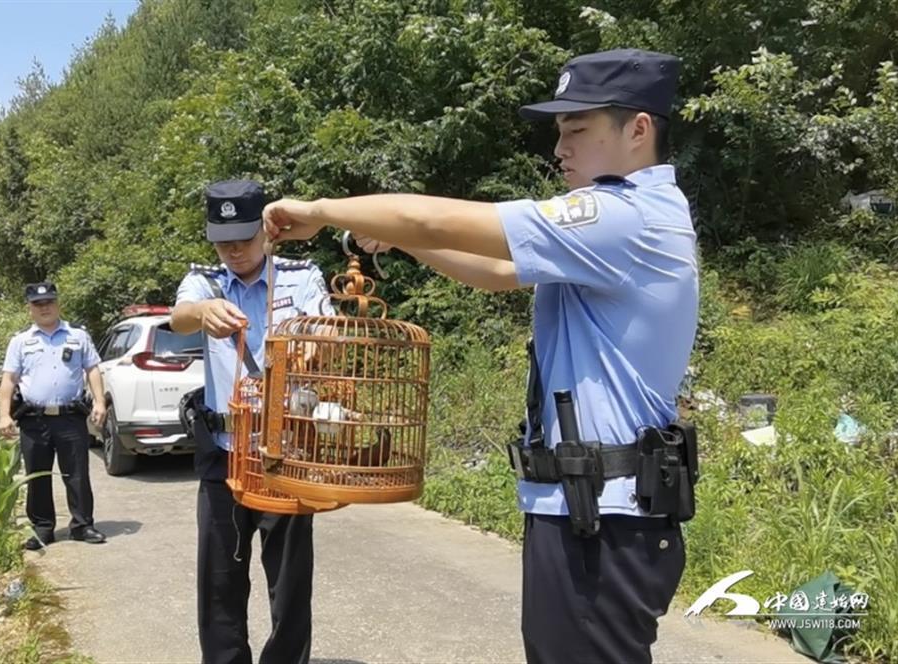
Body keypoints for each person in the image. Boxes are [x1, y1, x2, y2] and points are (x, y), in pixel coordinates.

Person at [263, 49, 699, 664]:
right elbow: (497, 271)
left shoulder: (624, 216)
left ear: (638, 129)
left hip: (605, 519)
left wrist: (317, 211)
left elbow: (432, 217)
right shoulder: (629, 222)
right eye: (559, 133)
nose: (561, 149)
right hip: (587, 510)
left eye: (577, 129)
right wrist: (406, 242)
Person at [171, 179, 335, 664]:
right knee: (220, 575)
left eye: (243, 237)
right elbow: (180, 316)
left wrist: (312, 341)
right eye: (223, 241)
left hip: (286, 448)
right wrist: (202, 312)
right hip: (222, 450)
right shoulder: (206, 282)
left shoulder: (300, 276)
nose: (234, 250)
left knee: (289, 578)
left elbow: (323, 324)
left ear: (266, 231)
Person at [0, 281, 107, 551]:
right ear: (30, 309)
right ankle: (42, 529)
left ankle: (82, 525)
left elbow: (93, 369)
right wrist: (4, 415)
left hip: (70, 417)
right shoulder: (21, 341)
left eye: (49, 302)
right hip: (33, 420)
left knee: (77, 473)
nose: (44, 308)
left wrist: (100, 402)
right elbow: (9, 380)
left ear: (58, 304)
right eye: (38, 304)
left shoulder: (78, 336)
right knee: (37, 475)